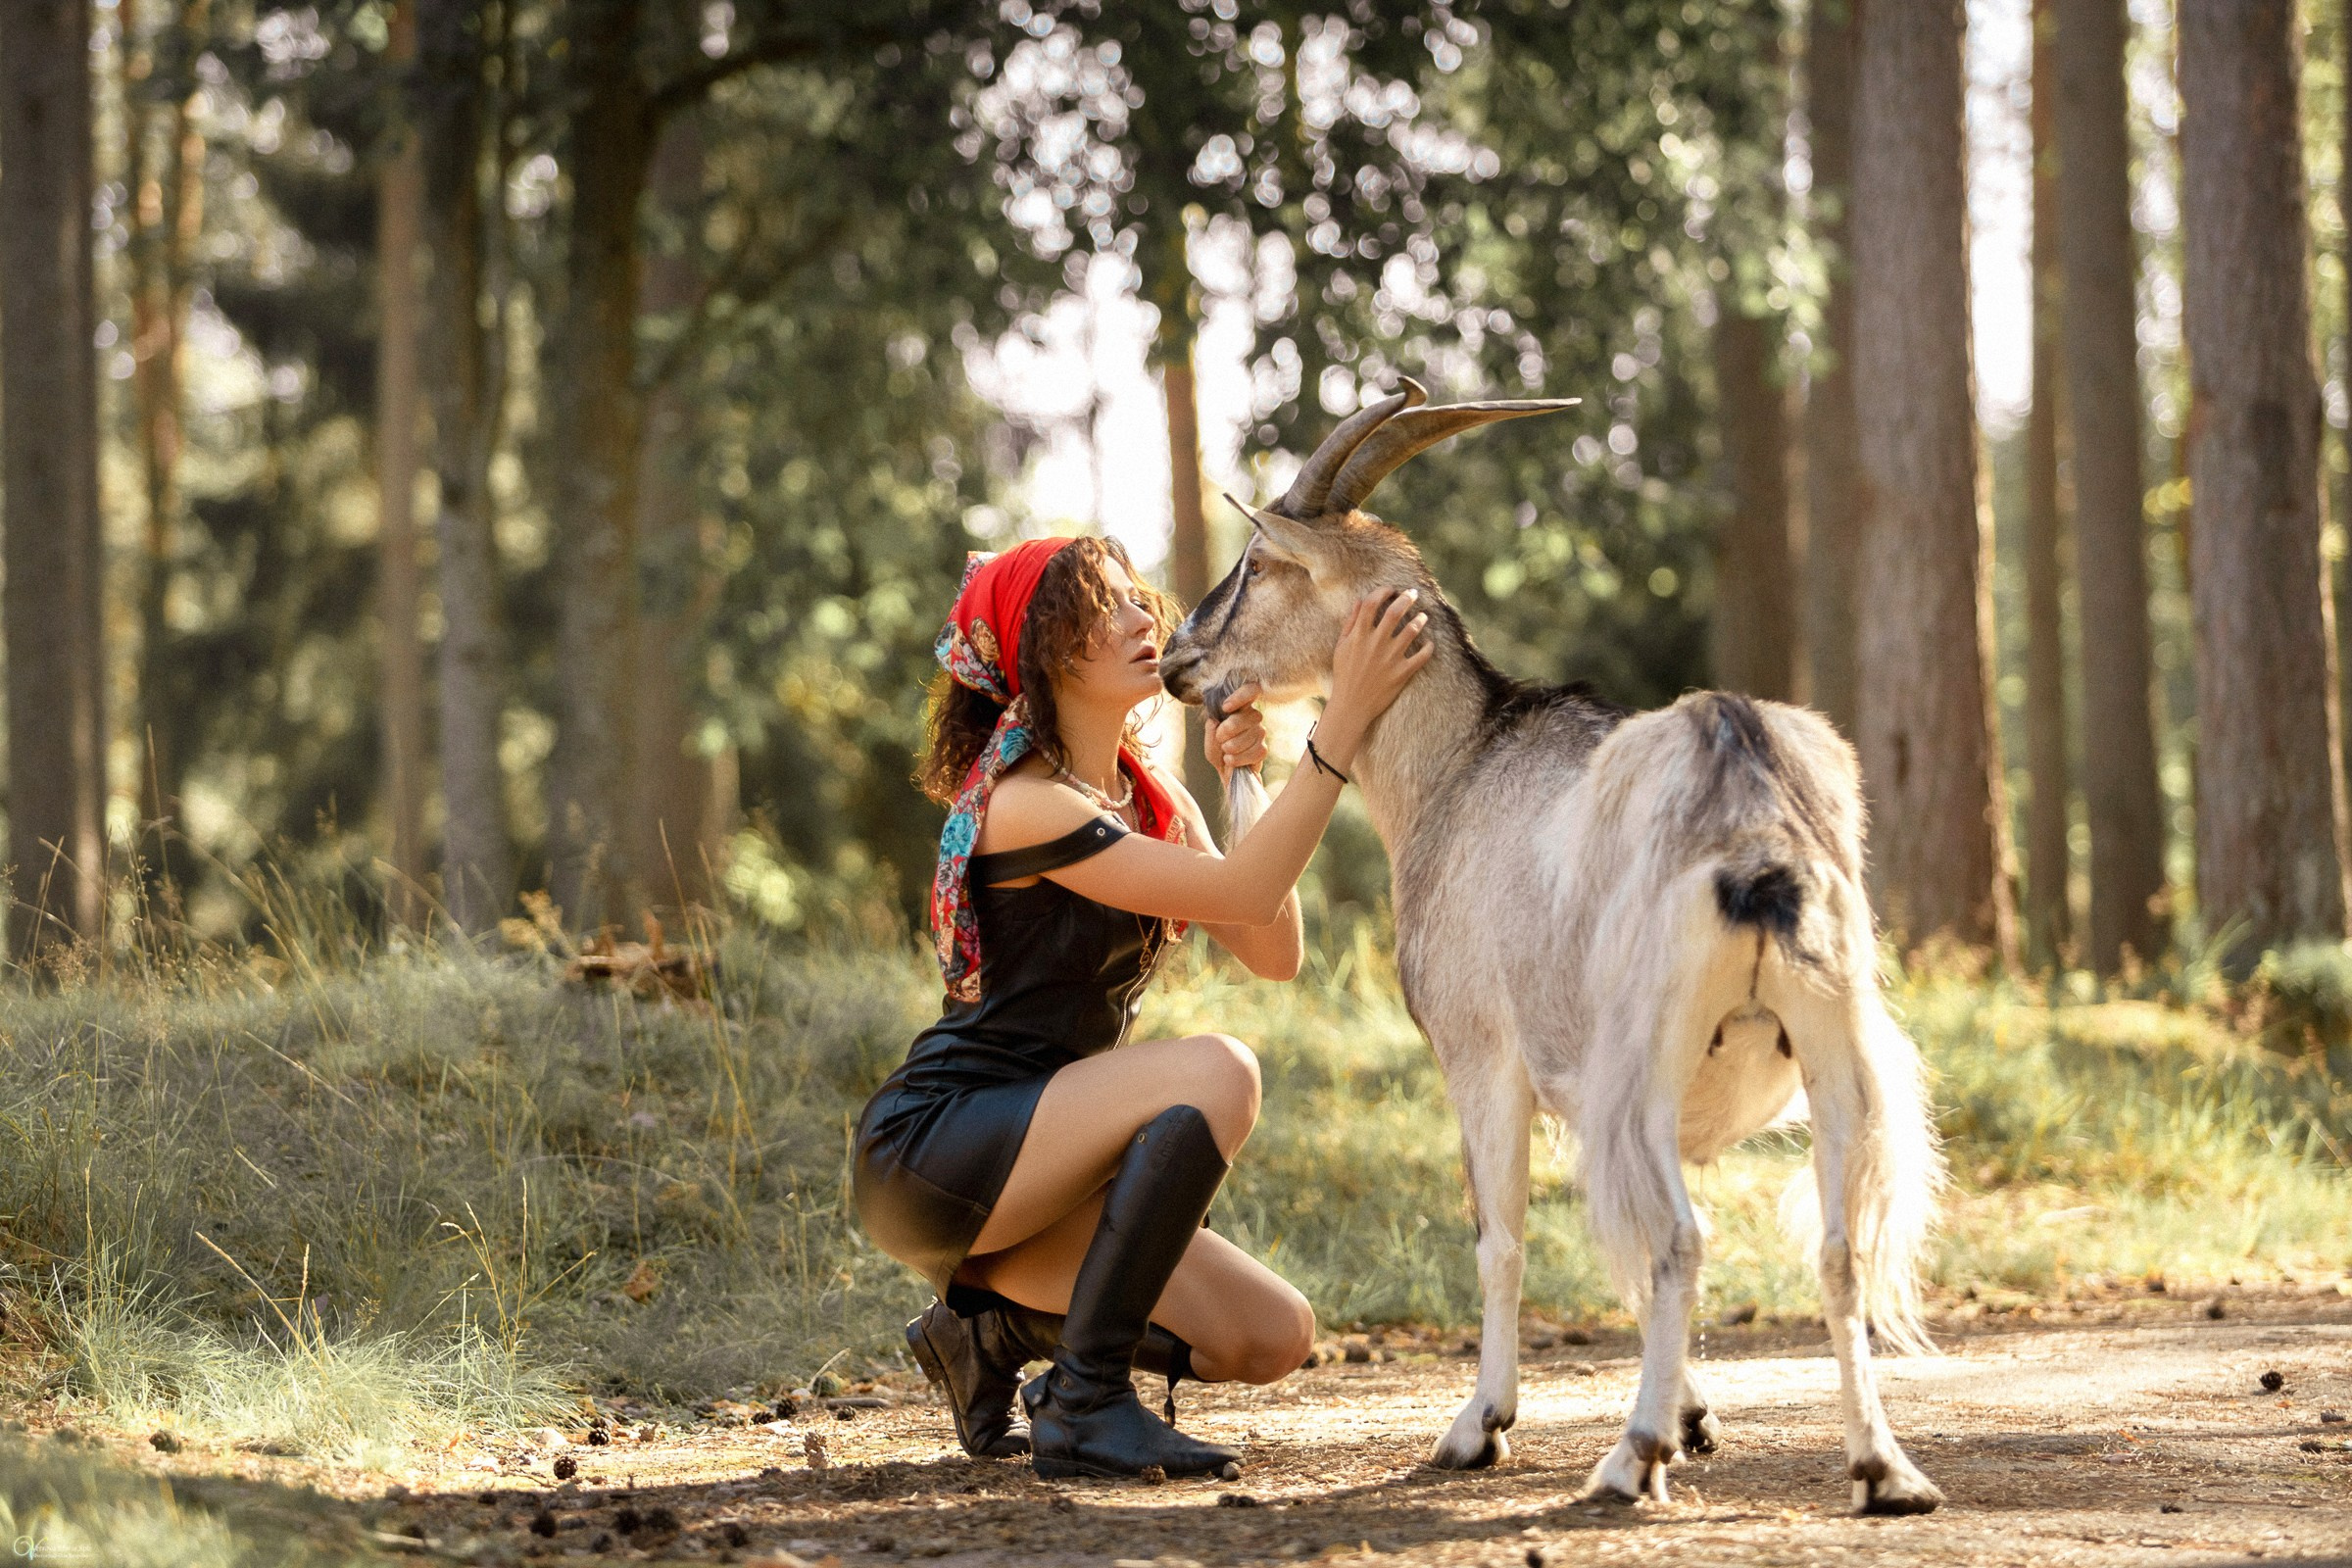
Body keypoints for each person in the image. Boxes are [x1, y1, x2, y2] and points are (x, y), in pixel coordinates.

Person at [852, 534, 1431, 1480]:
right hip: (938, 1149)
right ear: (1044, 653)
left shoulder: (1147, 800)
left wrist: (1245, 776)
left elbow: (1271, 947)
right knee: (1219, 1071)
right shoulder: (1028, 806)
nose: (1141, 620)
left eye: (1135, 598)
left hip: (1048, 1165)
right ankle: (1085, 1402)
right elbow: (1246, 893)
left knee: (1269, 1336)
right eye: (1102, 607)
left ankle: (989, 1338)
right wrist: (1345, 724)